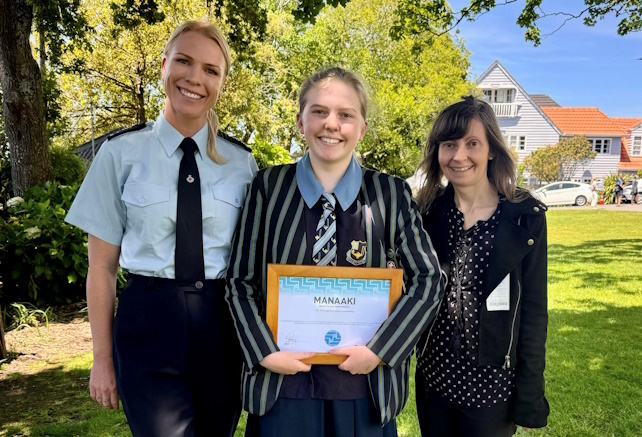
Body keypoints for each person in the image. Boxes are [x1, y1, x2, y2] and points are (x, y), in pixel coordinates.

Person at [225, 67, 443, 437]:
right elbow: (238, 281)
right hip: (283, 388)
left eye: (345, 114)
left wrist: (379, 351)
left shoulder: (390, 195)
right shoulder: (268, 188)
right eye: (319, 111)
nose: (331, 124)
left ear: (362, 128)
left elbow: (429, 280)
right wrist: (264, 352)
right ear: (300, 121)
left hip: (364, 388)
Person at [65, 21, 257, 437]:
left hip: (220, 325)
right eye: (184, 61)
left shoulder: (243, 164)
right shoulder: (119, 154)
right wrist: (101, 358)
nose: (195, 78)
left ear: (222, 82)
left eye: (211, 69)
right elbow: (101, 268)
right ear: (164, 65)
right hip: (147, 322)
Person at [414, 96, 549, 436]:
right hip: (434, 378)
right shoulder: (425, 214)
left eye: (472, 143)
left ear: (491, 150)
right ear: (438, 152)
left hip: (492, 387)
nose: (459, 156)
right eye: (449, 144)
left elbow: (534, 312)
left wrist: (529, 395)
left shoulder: (524, 218)